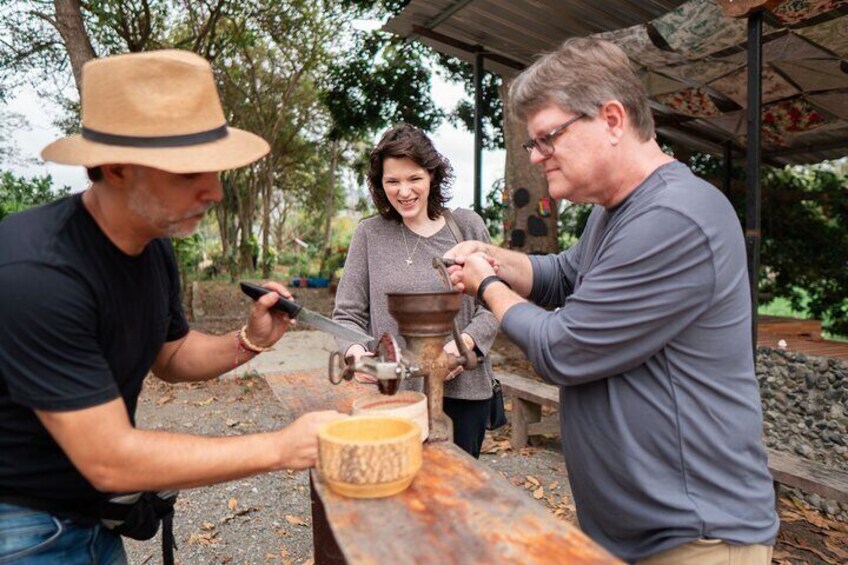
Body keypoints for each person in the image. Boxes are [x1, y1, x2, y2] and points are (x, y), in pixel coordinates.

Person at [0, 50, 345, 564]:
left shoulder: (151, 241)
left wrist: (249, 341)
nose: (215, 192)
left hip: (92, 517)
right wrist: (281, 447)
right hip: (22, 526)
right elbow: (109, 460)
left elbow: (173, 354)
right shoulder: (37, 274)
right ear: (115, 168)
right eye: (189, 175)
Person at [445, 38, 779, 564]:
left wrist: (489, 287)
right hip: (635, 533)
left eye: (547, 138)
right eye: (532, 143)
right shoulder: (614, 211)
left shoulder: (673, 217)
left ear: (613, 119)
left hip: (694, 537)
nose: (535, 156)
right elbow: (561, 275)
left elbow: (564, 349)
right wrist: (489, 255)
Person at [332, 124, 498, 458]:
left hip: (463, 393)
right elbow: (347, 313)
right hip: (396, 396)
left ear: (432, 176)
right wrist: (355, 352)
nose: (404, 191)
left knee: (459, 492)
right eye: (392, 181)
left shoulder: (466, 226)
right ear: (380, 184)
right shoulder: (369, 234)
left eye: (414, 179)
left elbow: (494, 302)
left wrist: (463, 346)